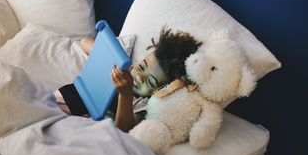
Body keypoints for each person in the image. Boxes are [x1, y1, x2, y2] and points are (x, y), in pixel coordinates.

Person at [55, 28, 202, 132]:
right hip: (67, 99)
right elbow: (84, 42)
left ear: (162, 89)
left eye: (150, 82)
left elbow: (124, 129)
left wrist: (125, 94)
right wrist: (110, 59)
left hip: (82, 125)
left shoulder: (144, 104)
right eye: (142, 67)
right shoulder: (123, 66)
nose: (139, 77)